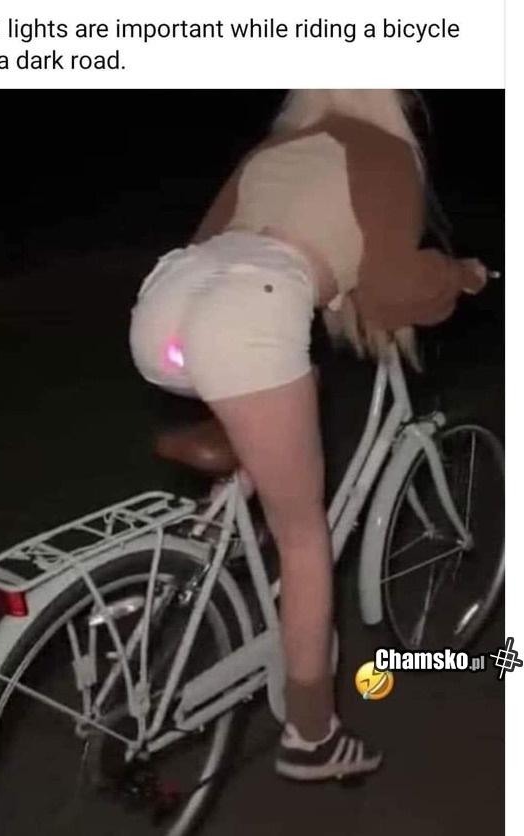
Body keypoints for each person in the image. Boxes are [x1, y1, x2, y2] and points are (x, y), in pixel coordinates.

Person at [128, 90, 487, 781]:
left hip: (165, 312)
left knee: (283, 386)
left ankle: (234, 491)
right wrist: (458, 276)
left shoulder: (276, 148)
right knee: (303, 538)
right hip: (247, 316)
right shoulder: (383, 153)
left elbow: (216, 241)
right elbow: (392, 289)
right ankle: (312, 736)